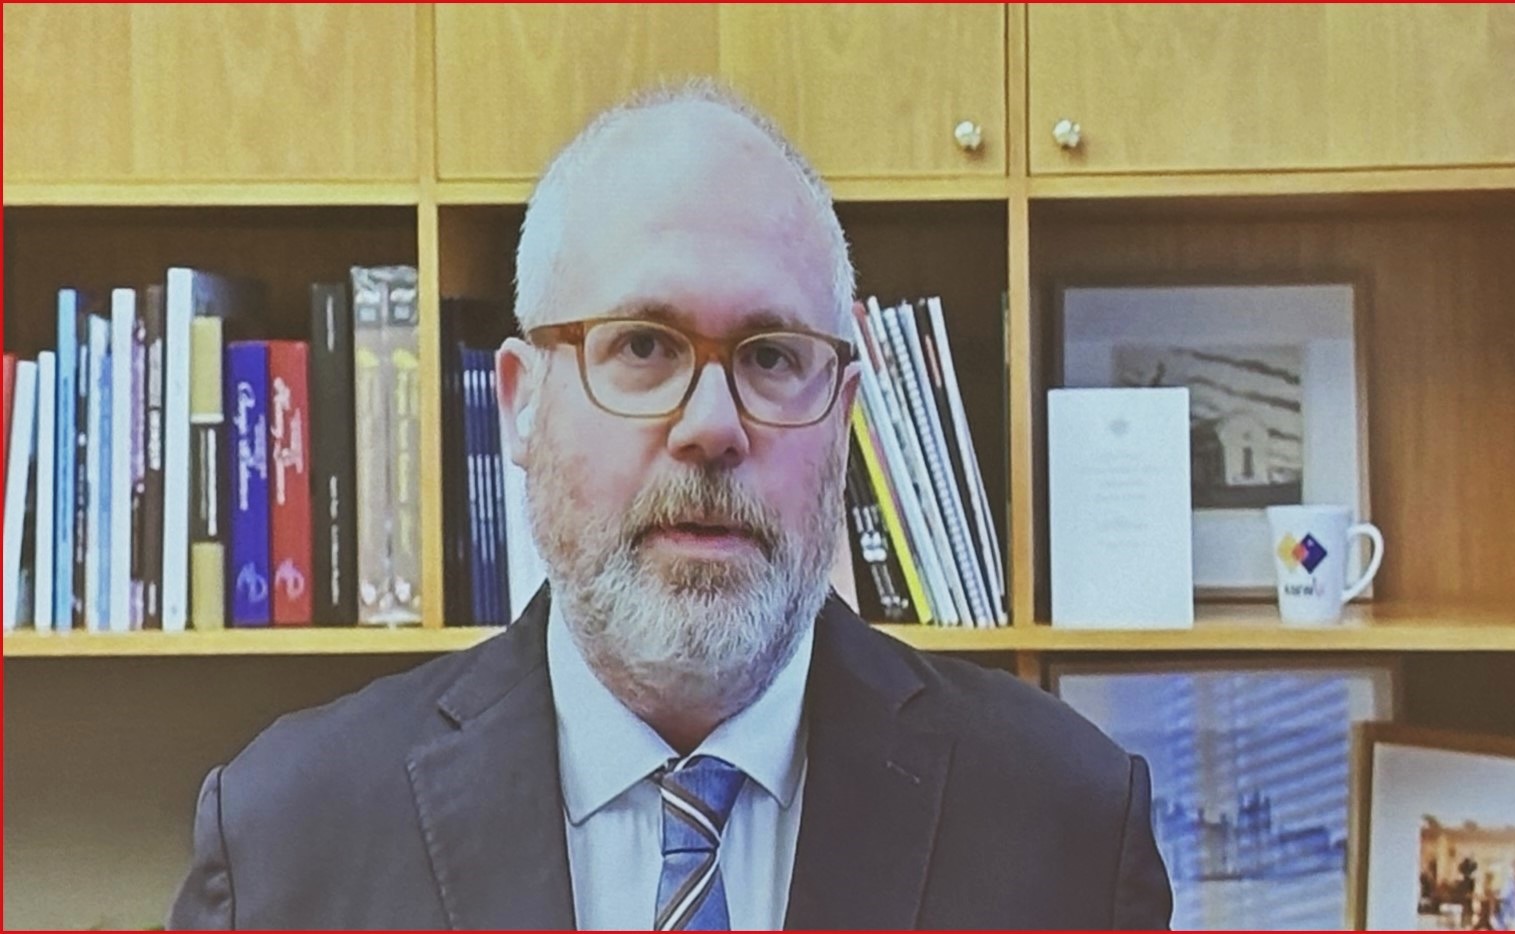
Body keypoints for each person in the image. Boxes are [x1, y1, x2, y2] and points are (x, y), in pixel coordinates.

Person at [166, 80, 1173, 931]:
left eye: (772, 357)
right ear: (519, 403)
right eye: (642, 346)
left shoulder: (1068, 825)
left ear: (842, 418)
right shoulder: (287, 839)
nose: (711, 426)